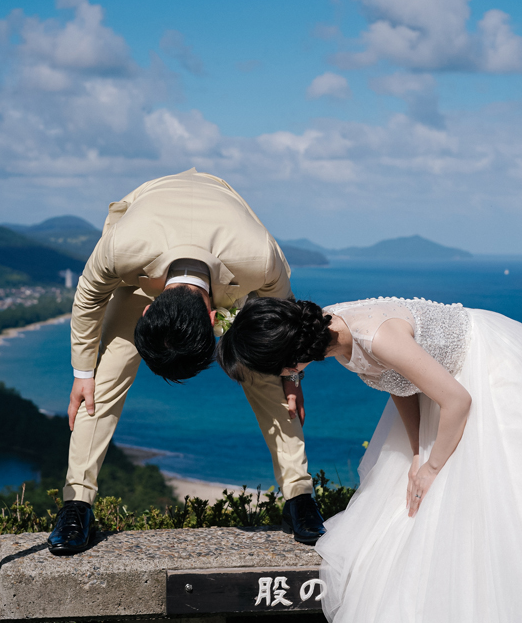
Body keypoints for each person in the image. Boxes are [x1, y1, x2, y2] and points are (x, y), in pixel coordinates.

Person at [217, 297, 522, 623]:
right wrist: (417, 450)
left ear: (290, 358)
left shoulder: (374, 336)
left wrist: (433, 466)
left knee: (517, 500)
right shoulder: (332, 333)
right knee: (415, 507)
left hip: (486, 373)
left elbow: (458, 400)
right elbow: (397, 384)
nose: (278, 379)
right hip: (441, 386)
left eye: (272, 369)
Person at [47, 169, 326, 555]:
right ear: (145, 312)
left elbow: (283, 319)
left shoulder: (259, 258)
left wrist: (292, 376)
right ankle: (76, 504)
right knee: (101, 379)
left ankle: (300, 496)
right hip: (148, 244)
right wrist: (81, 372)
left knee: (267, 371)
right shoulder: (120, 247)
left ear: (215, 321)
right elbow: (88, 297)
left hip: (227, 248)